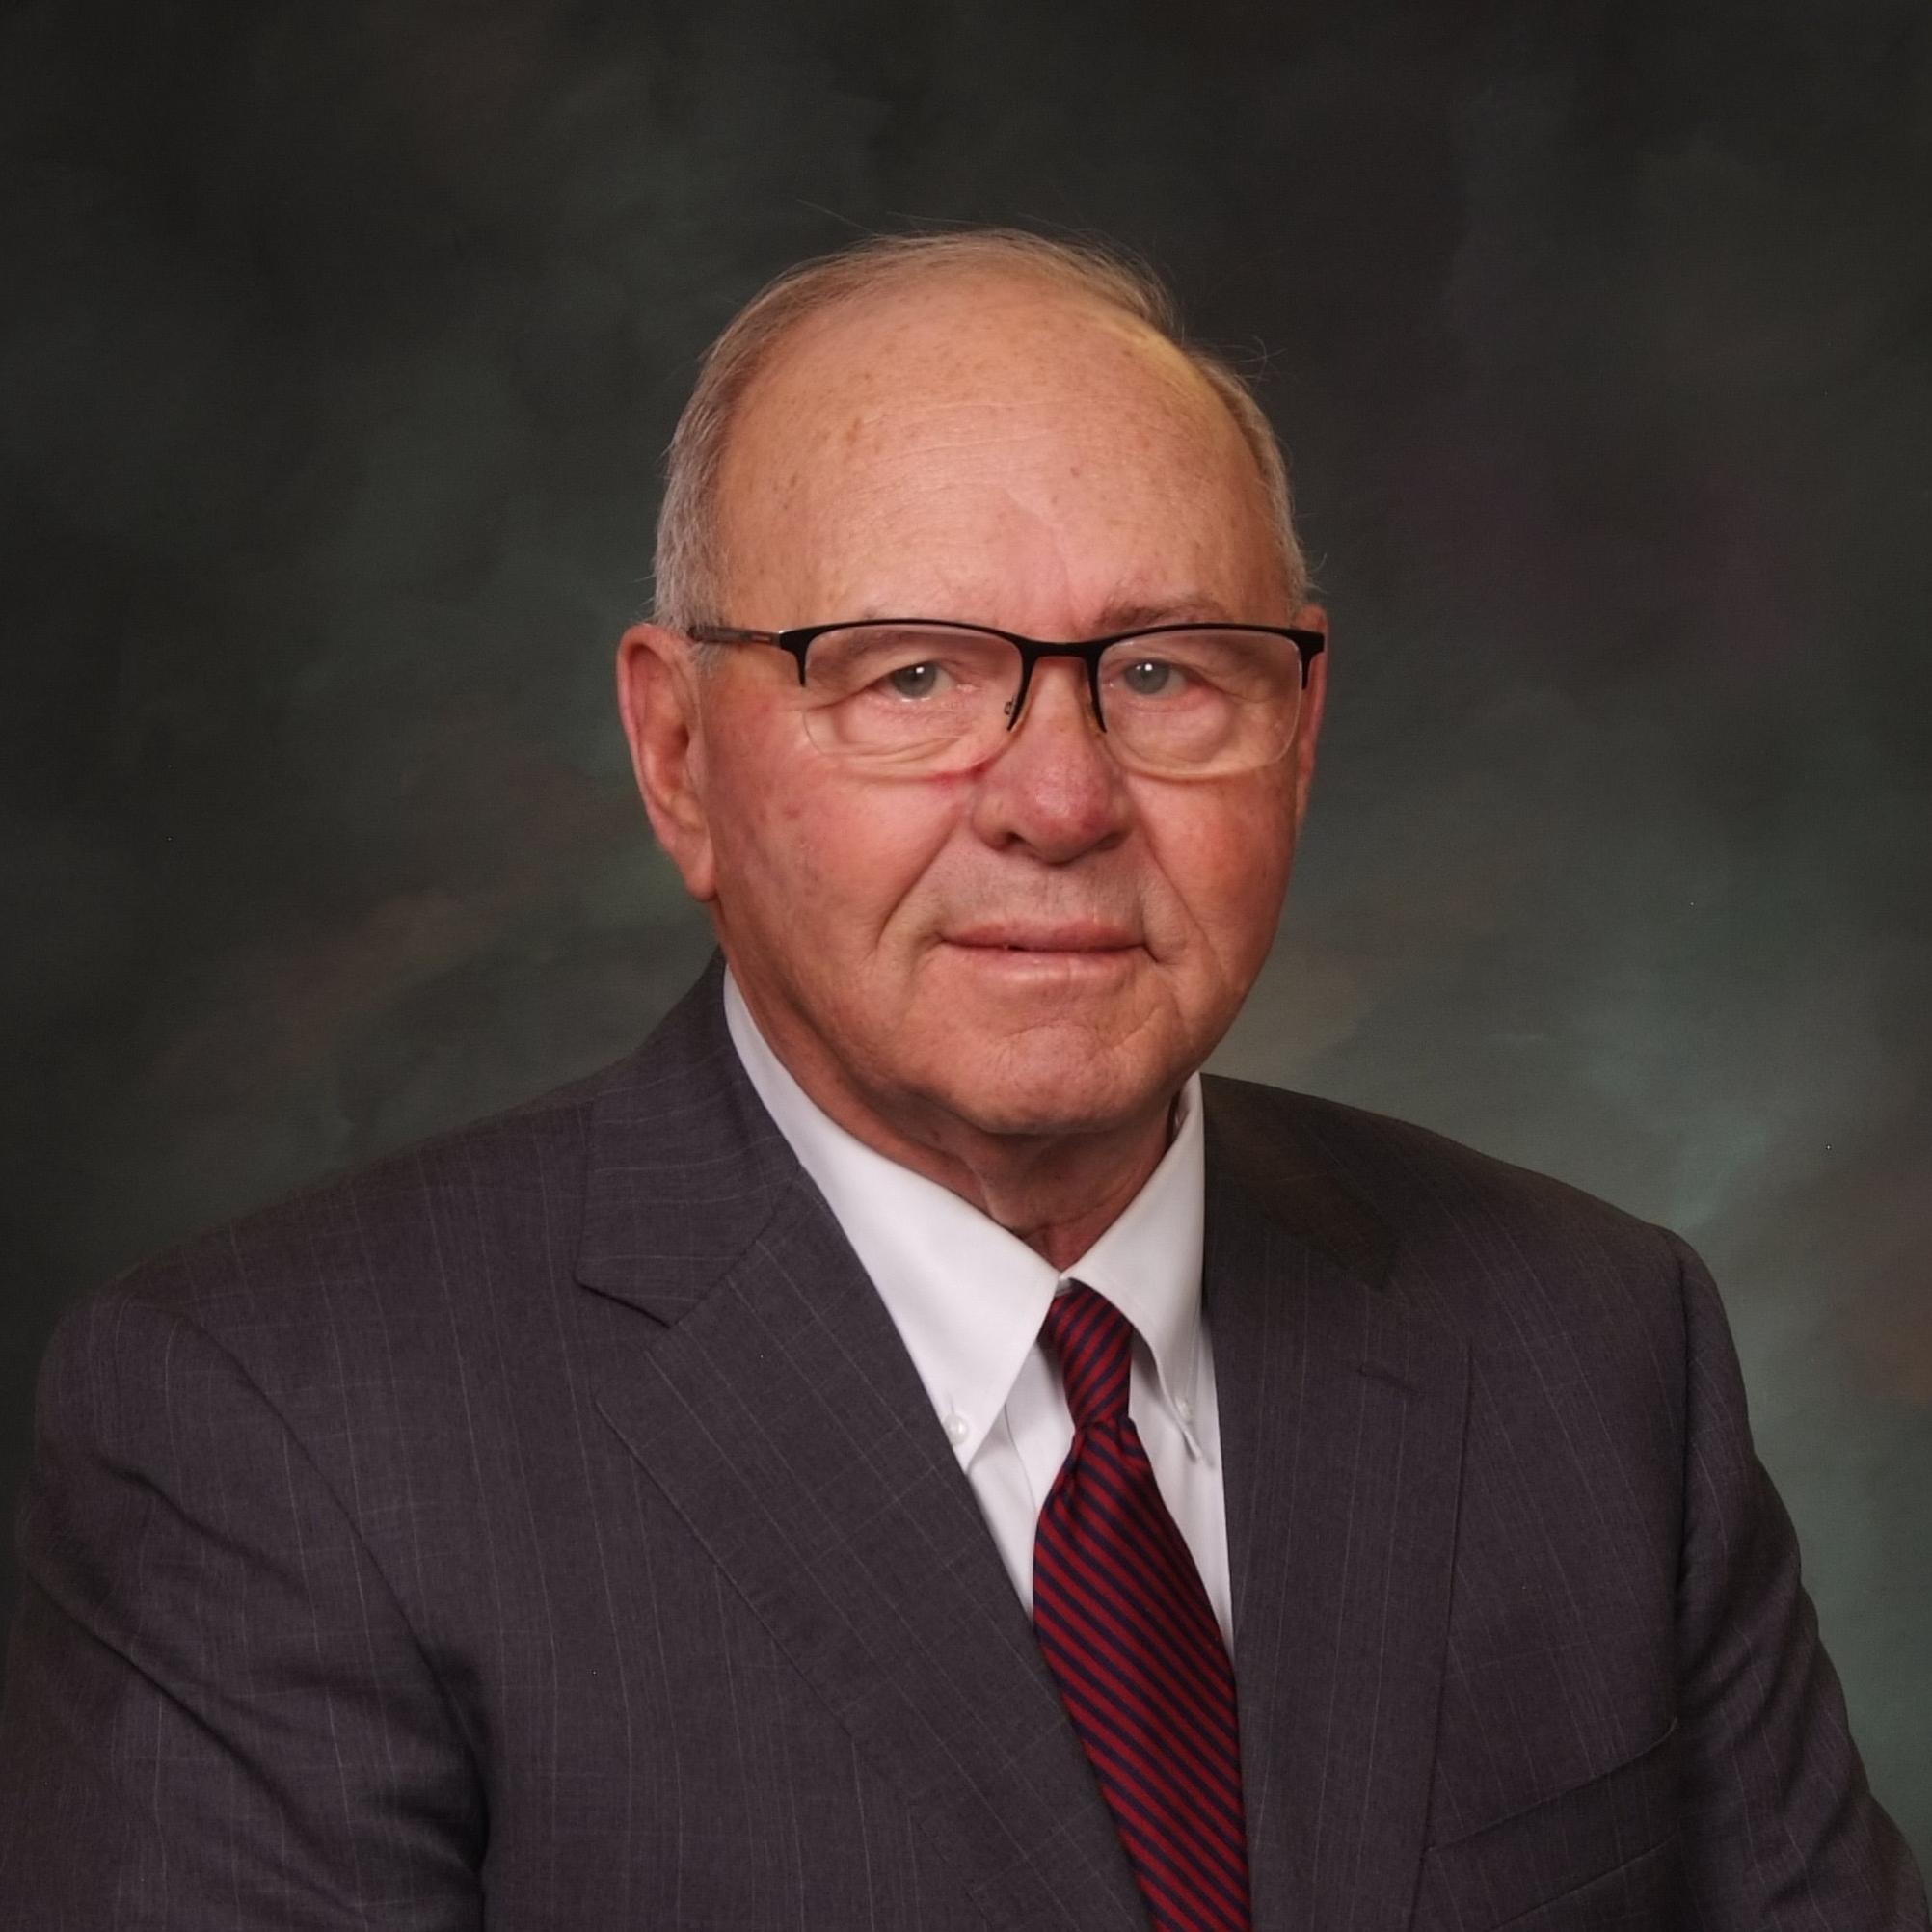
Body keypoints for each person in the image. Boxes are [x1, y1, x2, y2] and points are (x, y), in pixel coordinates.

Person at [0, 228, 1922, 1932]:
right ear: (678, 757)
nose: (1063, 798)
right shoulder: (272, 1438)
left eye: (1167, 671)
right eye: (912, 675)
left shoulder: (1595, 1347)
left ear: (1305, 721)